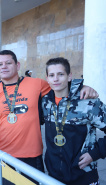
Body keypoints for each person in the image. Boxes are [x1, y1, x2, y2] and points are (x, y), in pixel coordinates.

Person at [0, 50, 98, 183]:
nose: (4, 66)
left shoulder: (37, 84)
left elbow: (60, 85)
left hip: (33, 157)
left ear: (18, 65)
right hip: (4, 156)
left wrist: (82, 87)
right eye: (0, 64)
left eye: (8, 63)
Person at [41, 57, 106, 185]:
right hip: (53, 175)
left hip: (84, 175)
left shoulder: (89, 103)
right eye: (52, 75)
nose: (56, 79)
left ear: (69, 76)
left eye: (61, 74)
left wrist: (95, 153)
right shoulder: (44, 102)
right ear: (47, 78)